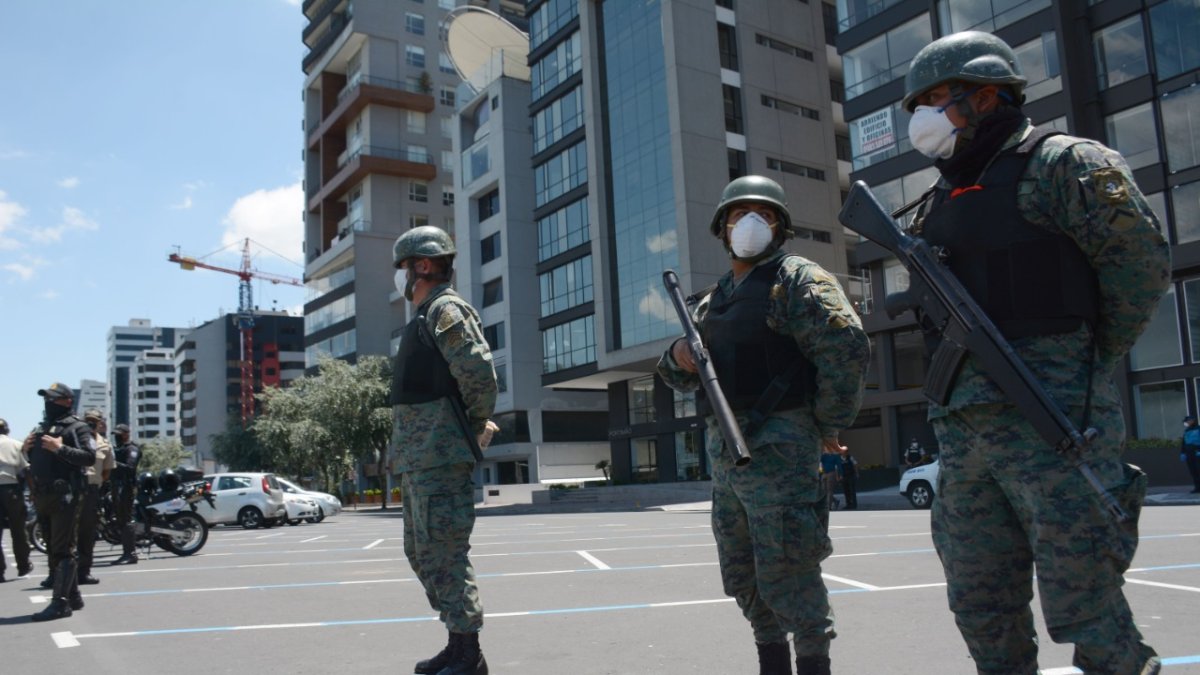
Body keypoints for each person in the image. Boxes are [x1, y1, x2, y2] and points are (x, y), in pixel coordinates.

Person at [900, 31, 1168, 674]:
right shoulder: (935, 200)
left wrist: (1087, 362)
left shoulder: (1064, 164)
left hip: (1055, 425)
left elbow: (1139, 268)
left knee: (1089, 609)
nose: (926, 116)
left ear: (987, 95)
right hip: (964, 439)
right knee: (980, 606)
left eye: (941, 98)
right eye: (921, 103)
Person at [657, 175, 870, 675]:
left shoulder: (797, 278)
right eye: (738, 214)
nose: (749, 223)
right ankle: (771, 661)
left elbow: (847, 349)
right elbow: (673, 376)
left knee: (790, 569)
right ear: (721, 228)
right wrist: (678, 355)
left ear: (780, 226)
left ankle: (814, 664)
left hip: (781, 447)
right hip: (726, 458)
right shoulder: (714, 299)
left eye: (764, 214)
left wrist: (827, 425)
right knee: (743, 573)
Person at [391, 225, 499, 675]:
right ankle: (456, 642)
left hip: (441, 456)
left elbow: (478, 374)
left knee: (445, 554)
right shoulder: (422, 317)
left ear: (424, 265)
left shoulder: (446, 310)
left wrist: (469, 428)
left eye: (402, 267)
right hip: (420, 461)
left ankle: (469, 654)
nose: (398, 277)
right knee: (423, 554)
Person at [23, 383, 96, 621]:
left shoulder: (78, 427)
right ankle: (73, 596)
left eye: (53, 399)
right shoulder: (42, 428)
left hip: (66, 495)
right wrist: (26, 450)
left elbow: (89, 458)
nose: (48, 403)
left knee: (62, 550)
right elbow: (36, 462)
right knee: (54, 550)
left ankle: (60, 603)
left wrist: (60, 448)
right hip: (44, 496)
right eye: (46, 399)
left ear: (67, 401)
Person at [77, 410, 115, 584]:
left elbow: (107, 471)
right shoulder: (75, 438)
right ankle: (56, 573)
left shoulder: (104, 444)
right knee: (65, 531)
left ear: (100, 423)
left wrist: (95, 483)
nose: (91, 424)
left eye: (95, 421)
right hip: (74, 488)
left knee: (87, 533)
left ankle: (84, 571)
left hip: (91, 490)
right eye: (88, 421)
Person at [0, 417, 34, 582]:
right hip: (12, 490)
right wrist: (33, 491)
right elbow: (26, 470)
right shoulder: (15, 444)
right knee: (19, 530)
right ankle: (23, 565)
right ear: (7, 430)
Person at [110, 423, 141, 565]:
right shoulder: (120, 449)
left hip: (126, 487)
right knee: (121, 519)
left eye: (119, 434)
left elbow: (130, 467)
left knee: (126, 519)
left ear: (126, 434)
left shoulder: (132, 448)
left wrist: (112, 463)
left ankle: (130, 553)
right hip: (118, 486)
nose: (116, 437)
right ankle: (126, 552)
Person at [819, 447, 843, 511]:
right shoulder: (824, 456)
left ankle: (828, 507)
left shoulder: (835, 456)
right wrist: (822, 454)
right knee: (824, 491)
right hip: (824, 473)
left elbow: (839, 465)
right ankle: (835, 501)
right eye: (826, 449)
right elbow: (819, 460)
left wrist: (840, 474)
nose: (826, 450)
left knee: (830, 491)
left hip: (832, 473)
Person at [1181, 416, 1200, 494]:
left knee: (1199, 470)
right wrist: (1182, 453)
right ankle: (1197, 488)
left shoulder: (1198, 429)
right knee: (1193, 471)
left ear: (1192, 420)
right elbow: (1184, 443)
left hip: (1197, 452)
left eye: (1187, 421)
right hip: (1189, 453)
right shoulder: (1186, 431)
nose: (1186, 423)